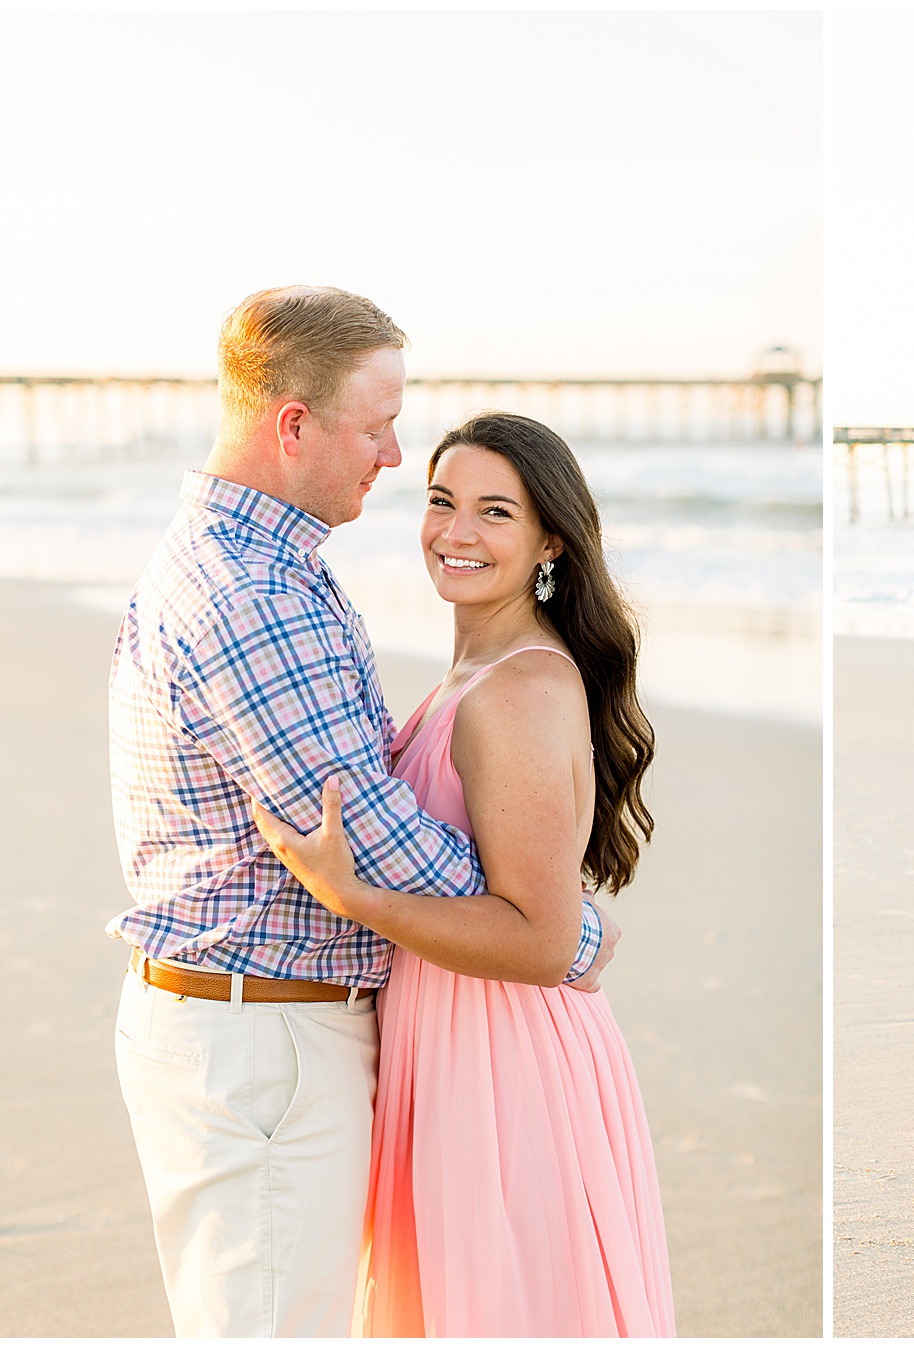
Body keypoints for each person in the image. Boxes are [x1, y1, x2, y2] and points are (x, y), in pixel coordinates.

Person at [107, 287, 615, 1337]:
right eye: (380, 426)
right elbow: (359, 826)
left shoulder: (274, 568)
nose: (392, 456)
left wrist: (545, 923)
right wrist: (568, 933)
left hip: (273, 1031)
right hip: (263, 1042)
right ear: (294, 425)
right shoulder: (255, 592)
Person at [254, 412, 675, 1336]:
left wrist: (351, 897)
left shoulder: (518, 689)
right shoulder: (475, 671)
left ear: (549, 542)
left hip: (502, 1063)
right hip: (451, 1043)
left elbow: (540, 941)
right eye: (443, 502)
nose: (456, 533)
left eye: (495, 513)